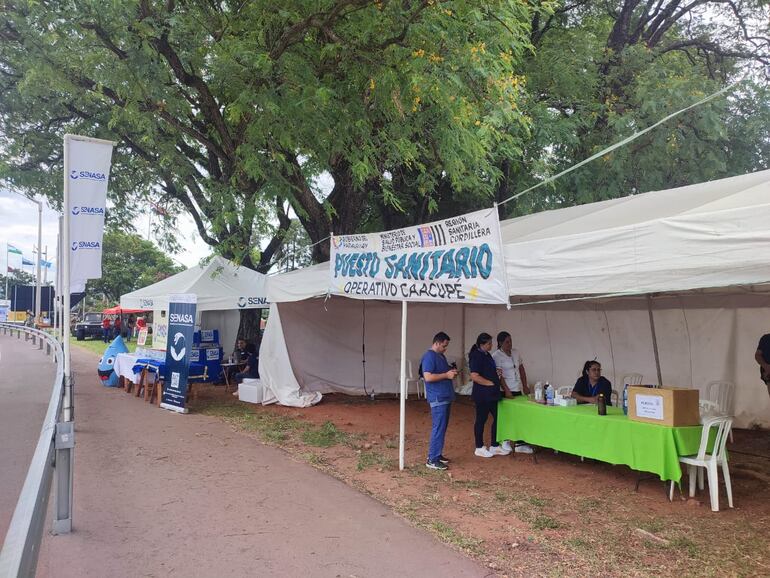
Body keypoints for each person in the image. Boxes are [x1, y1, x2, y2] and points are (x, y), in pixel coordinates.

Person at [421, 331, 459, 471]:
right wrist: (446, 375)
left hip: (445, 396)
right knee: (438, 428)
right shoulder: (429, 357)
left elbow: (443, 373)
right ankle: (432, 459)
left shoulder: (440, 356)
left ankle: (437, 454)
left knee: (441, 427)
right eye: (444, 345)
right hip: (438, 397)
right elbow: (428, 377)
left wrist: (451, 372)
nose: (445, 348)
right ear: (436, 343)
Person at [469, 333, 511, 458]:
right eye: (489, 343)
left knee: (499, 418)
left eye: (491, 343)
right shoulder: (476, 356)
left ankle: (494, 445)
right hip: (482, 395)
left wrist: (495, 373)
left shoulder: (487, 355)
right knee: (481, 420)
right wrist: (489, 383)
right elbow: (474, 376)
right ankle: (479, 447)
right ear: (482, 344)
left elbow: (488, 370)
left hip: (492, 394)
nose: (491, 345)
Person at [492, 331, 533, 454]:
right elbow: (499, 376)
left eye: (511, 341)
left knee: (520, 415)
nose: (510, 344)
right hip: (506, 390)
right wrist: (506, 390)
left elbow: (521, 369)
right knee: (507, 416)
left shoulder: (516, 352)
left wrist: (525, 386)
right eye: (507, 342)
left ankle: (520, 443)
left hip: (517, 388)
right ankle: (505, 440)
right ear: (500, 343)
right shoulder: (496, 356)